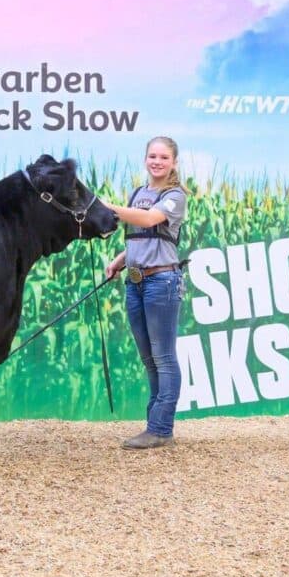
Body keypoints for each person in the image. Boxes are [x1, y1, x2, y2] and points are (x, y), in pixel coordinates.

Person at [104, 136, 187, 450]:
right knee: (149, 359)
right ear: (145, 159)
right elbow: (141, 235)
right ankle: (155, 425)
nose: (157, 162)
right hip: (135, 282)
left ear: (173, 163)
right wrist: (120, 261)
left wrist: (108, 208)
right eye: (152, 156)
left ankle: (161, 429)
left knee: (164, 358)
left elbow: (151, 219)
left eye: (164, 157)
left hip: (162, 282)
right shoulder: (138, 193)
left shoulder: (174, 195)